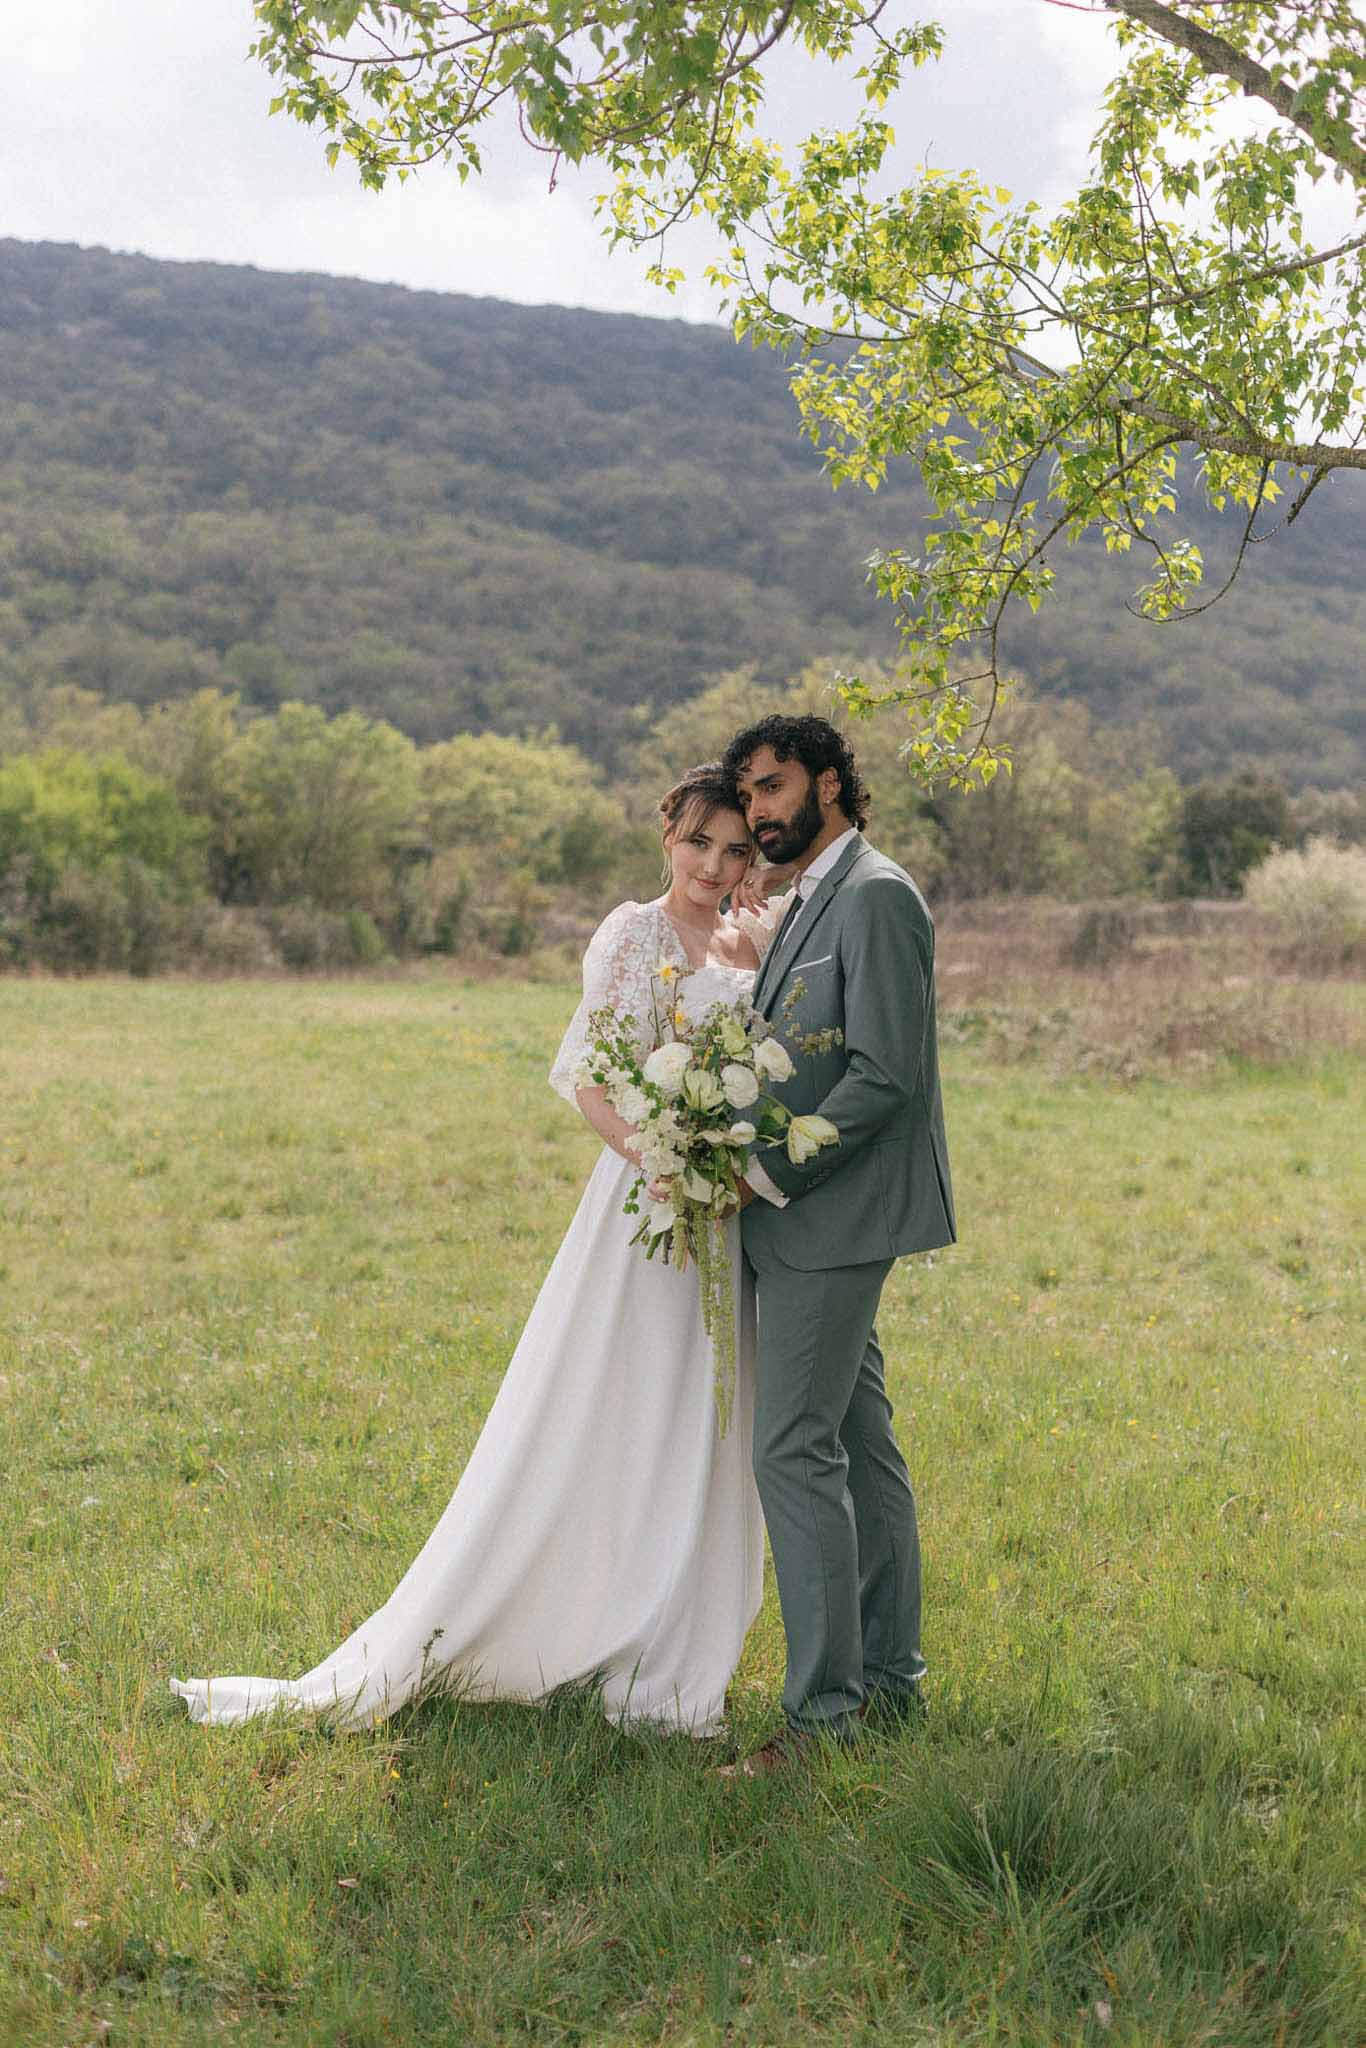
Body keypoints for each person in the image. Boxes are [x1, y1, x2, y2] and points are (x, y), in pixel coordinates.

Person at [170, 765, 766, 1736]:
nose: (713, 863)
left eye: (736, 848)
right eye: (699, 841)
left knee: (706, 1420)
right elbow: (592, 1079)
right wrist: (660, 1156)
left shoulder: (749, 944)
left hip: (728, 1213)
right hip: (648, 1202)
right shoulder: (633, 933)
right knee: (621, 1404)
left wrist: (726, 1156)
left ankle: (666, 1629)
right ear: (669, 836)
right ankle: (563, 1608)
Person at [719, 713, 956, 1776]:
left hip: (831, 1217)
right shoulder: (810, 896)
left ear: (827, 780)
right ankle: (890, 1685)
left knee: (790, 1449)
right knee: (859, 1446)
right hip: (800, 1218)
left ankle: (821, 1723)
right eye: (749, 794)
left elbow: (884, 1074)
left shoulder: (875, 894)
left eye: (772, 787)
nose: (760, 810)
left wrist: (765, 1170)